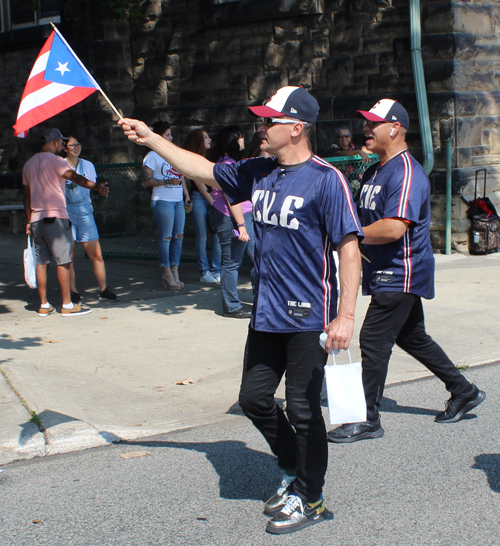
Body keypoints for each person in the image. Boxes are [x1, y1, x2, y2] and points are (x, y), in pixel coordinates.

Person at [118, 85, 363, 535]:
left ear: (296, 128)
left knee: (304, 410)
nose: (261, 127)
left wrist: (346, 315)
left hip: (310, 315)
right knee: (253, 399)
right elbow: (205, 169)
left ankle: (312, 499)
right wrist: (150, 137)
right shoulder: (257, 170)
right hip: (266, 310)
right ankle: (292, 471)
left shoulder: (327, 179)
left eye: (270, 121)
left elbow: (349, 248)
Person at [327, 99, 486, 444]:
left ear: (395, 127)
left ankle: (366, 418)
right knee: (412, 336)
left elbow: (395, 228)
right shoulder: (374, 170)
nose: (365, 130)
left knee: (372, 338)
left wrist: (347, 236)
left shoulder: (407, 173)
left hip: (402, 271)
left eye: (373, 124)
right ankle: (463, 390)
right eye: (365, 124)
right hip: (384, 269)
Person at [22, 128, 109, 317]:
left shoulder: (28, 165)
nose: (62, 146)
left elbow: (26, 197)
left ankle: (44, 305)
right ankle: (67, 305)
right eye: (62, 143)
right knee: (64, 261)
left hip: (36, 220)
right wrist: (96, 186)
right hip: (57, 218)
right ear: (54, 142)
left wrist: (28, 220)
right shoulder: (56, 161)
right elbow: (74, 177)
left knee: (42, 262)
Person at [63, 136, 119, 303]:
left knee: (96, 254)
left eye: (78, 144)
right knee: (69, 256)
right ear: (64, 148)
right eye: (71, 145)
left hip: (85, 210)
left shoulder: (87, 165)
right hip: (67, 211)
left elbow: (90, 185)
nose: (75, 147)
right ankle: (72, 291)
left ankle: (103, 289)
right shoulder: (60, 164)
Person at [208, 125, 253, 319]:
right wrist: (241, 224)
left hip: (242, 215)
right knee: (232, 262)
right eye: (240, 137)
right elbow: (230, 196)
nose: (243, 140)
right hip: (231, 217)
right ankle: (232, 307)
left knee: (258, 257)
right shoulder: (226, 164)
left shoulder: (231, 162)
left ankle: (263, 300)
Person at [143, 121, 191, 290]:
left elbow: (182, 176)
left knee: (179, 236)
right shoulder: (152, 156)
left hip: (178, 200)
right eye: (167, 135)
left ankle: (175, 271)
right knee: (166, 237)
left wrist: (186, 196)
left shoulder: (173, 153)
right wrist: (166, 181)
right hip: (163, 201)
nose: (171, 138)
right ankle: (166, 272)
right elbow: (147, 180)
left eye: (171, 134)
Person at [183, 129, 221, 284]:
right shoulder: (192, 159)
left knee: (216, 235)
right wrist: (214, 202)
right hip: (199, 197)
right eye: (205, 137)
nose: (209, 140)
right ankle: (204, 271)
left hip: (211, 196)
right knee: (202, 236)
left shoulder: (210, 157)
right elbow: (199, 184)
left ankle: (216, 270)